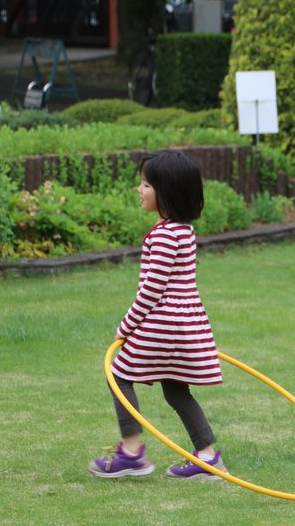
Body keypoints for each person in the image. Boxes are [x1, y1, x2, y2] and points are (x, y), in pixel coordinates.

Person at [89, 150, 228, 479]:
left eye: (146, 184)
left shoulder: (165, 235)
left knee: (119, 373)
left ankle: (132, 453)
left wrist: (126, 327)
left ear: (167, 191)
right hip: (186, 322)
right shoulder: (183, 230)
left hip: (165, 322)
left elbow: (152, 290)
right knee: (176, 388)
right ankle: (207, 457)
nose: (139, 189)